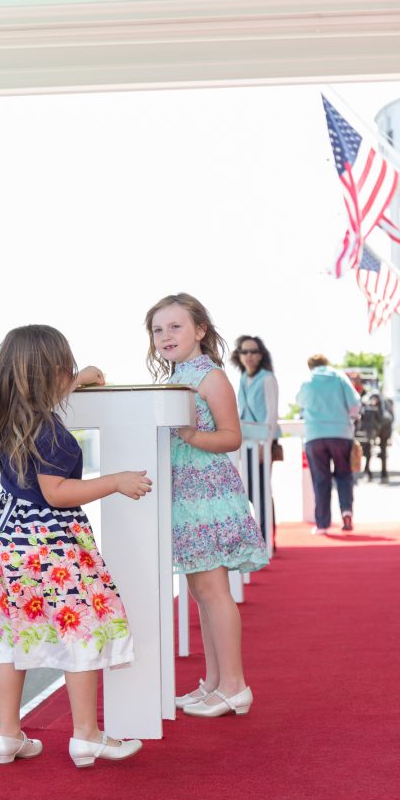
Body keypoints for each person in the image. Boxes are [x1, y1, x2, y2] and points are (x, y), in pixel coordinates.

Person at [0, 325, 152, 768]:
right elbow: (56, 492)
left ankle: (8, 735)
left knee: (10, 637)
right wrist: (116, 482)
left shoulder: (11, 412)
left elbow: (45, 393)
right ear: (49, 373)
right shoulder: (46, 429)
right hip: (47, 544)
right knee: (80, 629)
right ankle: (86, 735)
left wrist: (81, 377)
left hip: (4, 543)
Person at [145, 293, 268, 718]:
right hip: (184, 496)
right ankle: (215, 682)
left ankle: (235, 685)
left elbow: (232, 436)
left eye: (175, 326)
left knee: (214, 591)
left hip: (208, 495)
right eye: (158, 330)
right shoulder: (176, 377)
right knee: (199, 590)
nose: (165, 336)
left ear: (199, 330)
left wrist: (192, 436)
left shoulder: (210, 376)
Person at [296, 354, 361, 534]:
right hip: (341, 434)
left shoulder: (307, 380)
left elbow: (300, 402)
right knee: (344, 475)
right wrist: (349, 417)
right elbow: (355, 403)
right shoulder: (340, 377)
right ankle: (346, 513)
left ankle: (322, 524)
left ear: (310, 366)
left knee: (320, 479)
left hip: (315, 435)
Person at [231, 335, 279, 548]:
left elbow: (271, 414)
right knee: (250, 489)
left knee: (261, 489)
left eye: (253, 352)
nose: (249, 356)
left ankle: (268, 537)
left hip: (263, 443)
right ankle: (262, 534)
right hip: (247, 442)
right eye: (244, 352)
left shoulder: (267, 378)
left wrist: (265, 445)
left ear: (261, 355)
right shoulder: (242, 379)